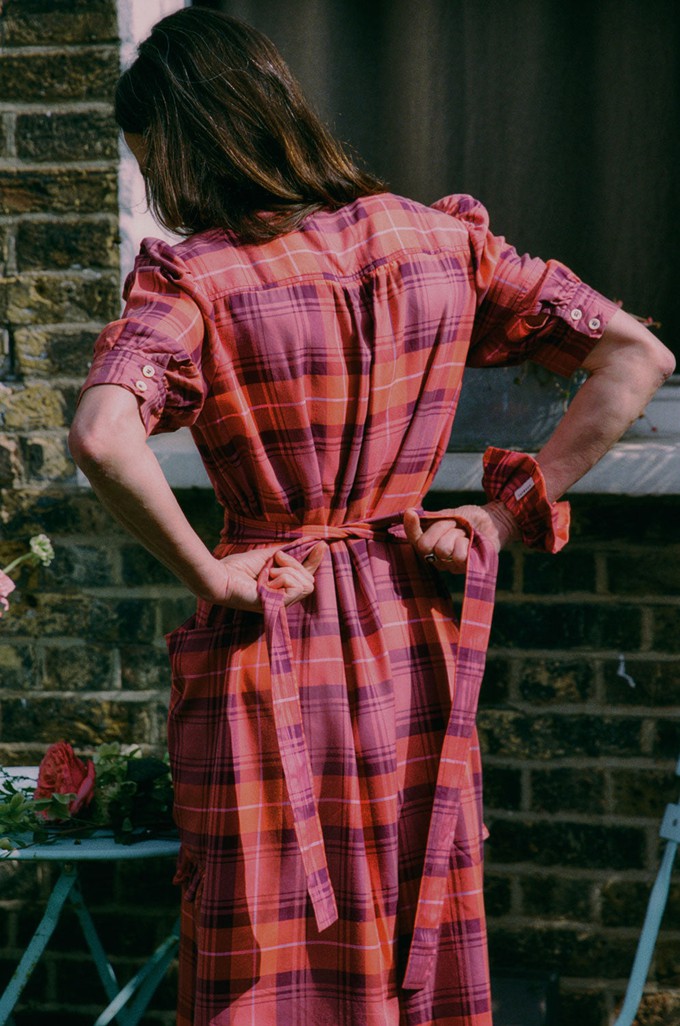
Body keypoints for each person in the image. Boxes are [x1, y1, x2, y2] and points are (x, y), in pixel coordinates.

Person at [68, 8, 674, 1026]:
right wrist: (507, 507)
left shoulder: (197, 280)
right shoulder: (438, 242)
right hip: (409, 630)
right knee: (410, 898)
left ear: (180, 140)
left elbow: (99, 434)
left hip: (273, 629)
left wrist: (212, 575)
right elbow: (635, 356)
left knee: (267, 926)